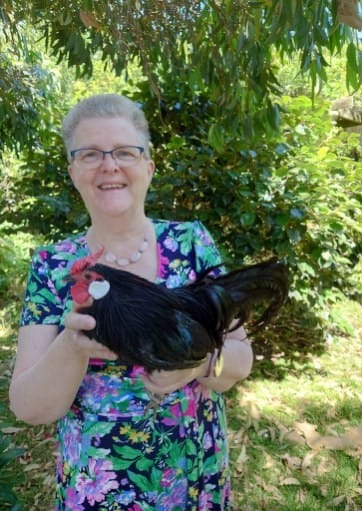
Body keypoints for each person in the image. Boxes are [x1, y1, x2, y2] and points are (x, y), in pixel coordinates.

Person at [9, 93, 254, 511]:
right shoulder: (53, 265)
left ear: (148, 166)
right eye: (90, 154)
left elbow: (240, 358)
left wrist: (196, 364)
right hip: (98, 489)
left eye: (124, 151)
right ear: (73, 171)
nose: (109, 165)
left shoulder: (192, 244)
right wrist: (71, 347)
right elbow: (29, 409)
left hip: (193, 476)